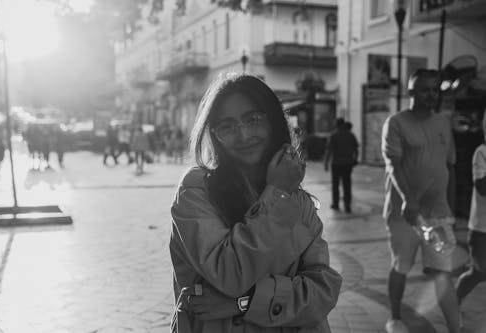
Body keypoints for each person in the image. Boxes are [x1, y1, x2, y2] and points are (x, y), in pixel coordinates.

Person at [170, 73, 342, 333]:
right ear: (214, 135)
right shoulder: (196, 191)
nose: (243, 135)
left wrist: (245, 302)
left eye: (253, 119)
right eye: (227, 126)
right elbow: (229, 273)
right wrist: (277, 193)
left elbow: (323, 290)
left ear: (272, 122)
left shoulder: (298, 199)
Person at [381, 69, 459, 333]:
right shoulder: (396, 123)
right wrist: (408, 200)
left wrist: (452, 210)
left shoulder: (443, 123)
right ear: (411, 92)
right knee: (401, 266)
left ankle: (455, 328)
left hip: (437, 213)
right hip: (405, 214)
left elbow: (450, 166)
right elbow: (395, 164)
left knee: (442, 272)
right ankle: (395, 318)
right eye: (425, 90)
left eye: (435, 90)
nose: (431, 95)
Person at [456, 114, 486, 309]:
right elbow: (481, 186)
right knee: (479, 272)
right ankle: (454, 304)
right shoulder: (481, 152)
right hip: (482, 227)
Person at [324, 119, 359, 213]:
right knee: (347, 185)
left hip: (336, 164)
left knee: (335, 185)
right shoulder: (350, 135)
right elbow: (356, 149)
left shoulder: (333, 135)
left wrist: (326, 163)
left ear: (336, 124)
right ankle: (347, 206)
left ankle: (336, 204)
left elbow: (329, 150)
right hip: (348, 164)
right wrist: (355, 159)